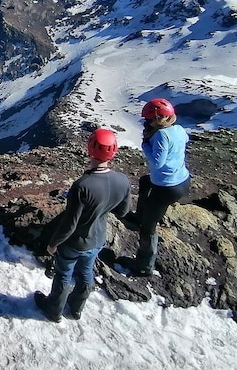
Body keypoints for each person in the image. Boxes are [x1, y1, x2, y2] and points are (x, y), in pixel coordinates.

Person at [34, 129, 130, 322]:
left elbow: (70, 223)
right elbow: (122, 212)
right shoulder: (122, 181)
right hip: (98, 238)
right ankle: (77, 308)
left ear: (90, 149)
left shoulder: (83, 185)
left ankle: (54, 310)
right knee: (86, 272)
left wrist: (53, 244)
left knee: (63, 274)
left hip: (75, 242)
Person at [122, 98, 191, 277]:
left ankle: (144, 265)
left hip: (166, 187)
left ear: (160, 119)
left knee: (149, 227)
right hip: (182, 180)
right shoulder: (179, 129)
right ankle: (138, 217)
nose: (147, 122)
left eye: (150, 119)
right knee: (145, 181)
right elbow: (185, 140)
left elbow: (158, 163)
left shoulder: (162, 135)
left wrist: (146, 145)